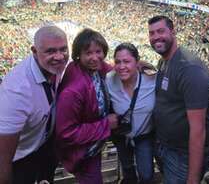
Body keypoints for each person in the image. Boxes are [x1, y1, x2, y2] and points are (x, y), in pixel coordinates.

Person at [148, 15, 209, 184]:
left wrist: (192, 180)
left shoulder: (190, 69)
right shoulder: (164, 62)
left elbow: (198, 130)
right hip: (168, 148)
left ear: (173, 31)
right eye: (151, 33)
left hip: (183, 155)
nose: (155, 36)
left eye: (160, 31)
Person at [0, 25, 69, 184]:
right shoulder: (16, 91)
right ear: (34, 51)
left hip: (45, 147)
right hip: (22, 160)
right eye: (50, 51)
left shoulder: (55, 66)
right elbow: (3, 160)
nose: (59, 56)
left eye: (63, 49)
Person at [55, 28, 118, 184]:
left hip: (94, 145)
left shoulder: (91, 68)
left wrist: (133, 65)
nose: (95, 58)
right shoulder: (73, 92)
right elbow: (66, 133)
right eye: (88, 53)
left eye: (99, 51)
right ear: (78, 55)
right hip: (83, 153)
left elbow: (107, 68)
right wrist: (106, 125)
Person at [106, 43, 155, 184]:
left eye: (127, 61)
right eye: (118, 62)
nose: (121, 66)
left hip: (144, 136)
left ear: (137, 62)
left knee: (146, 174)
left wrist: (149, 66)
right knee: (127, 169)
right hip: (121, 135)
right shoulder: (109, 79)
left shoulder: (152, 79)